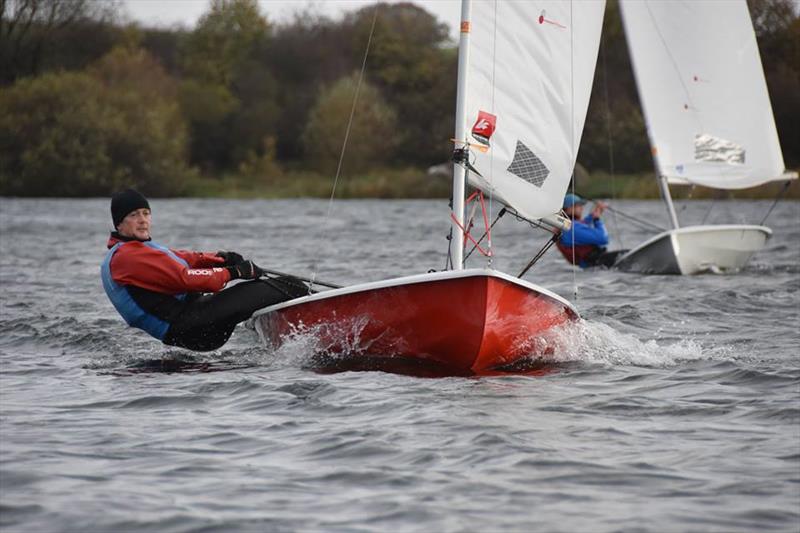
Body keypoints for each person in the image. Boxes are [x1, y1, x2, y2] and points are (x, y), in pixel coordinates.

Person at [101, 189, 306, 351]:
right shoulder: (126, 257)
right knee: (290, 285)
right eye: (134, 215)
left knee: (264, 292)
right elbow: (185, 278)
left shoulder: (135, 249)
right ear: (119, 223)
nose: (143, 220)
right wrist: (236, 272)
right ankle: (325, 321)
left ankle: (292, 335)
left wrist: (220, 259)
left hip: (192, 325)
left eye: (146, 213)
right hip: (191, 326)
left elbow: (183, 258)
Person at [556, 193, 626, 268]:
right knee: (625, 253)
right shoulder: (571, 228)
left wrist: (595, 213)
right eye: (579, 205)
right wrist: (596, 219)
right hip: (596, 263)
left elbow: (583, 224)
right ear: (569, 209)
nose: (582, 208)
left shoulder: (566, 226)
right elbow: (603, 239)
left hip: (593, 264)